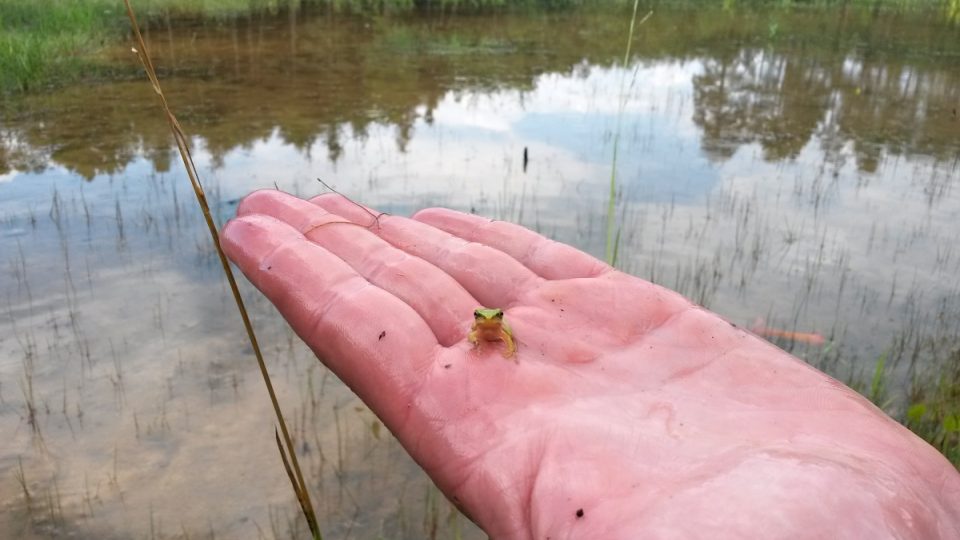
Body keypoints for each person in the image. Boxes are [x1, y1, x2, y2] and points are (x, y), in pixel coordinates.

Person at [222, 190, 960, 539]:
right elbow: (488, 338)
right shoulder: (479, 330)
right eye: (483, 320)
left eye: (489, 319)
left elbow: (509, 340)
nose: (485, 323)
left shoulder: (501, 332)